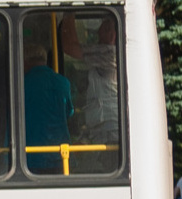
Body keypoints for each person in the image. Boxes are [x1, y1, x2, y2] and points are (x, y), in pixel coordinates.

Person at [62, 15, 120, 145]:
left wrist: (68, 12)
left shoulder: (109, 53)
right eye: (106, 29)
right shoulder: (111, 53)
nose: (112, 34)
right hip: (104, 124)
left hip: (109, 126)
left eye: (113, 30)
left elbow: (69, 47)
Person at [22, 42, 73, 173]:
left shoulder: (22, 84)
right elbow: (69, 112)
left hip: (31, 155)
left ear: (25, 62)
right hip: (60, 154)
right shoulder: (63, 82)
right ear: (45, 60)